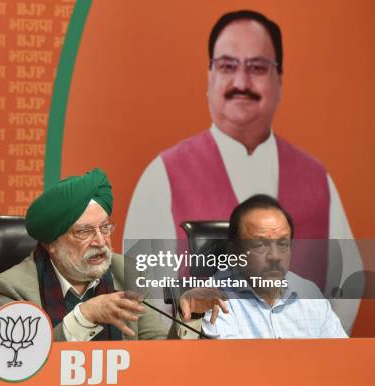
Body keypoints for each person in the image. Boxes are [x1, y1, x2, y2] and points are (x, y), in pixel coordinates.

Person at [124, 9, 360, 330]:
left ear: (280, 79)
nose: (241, 82)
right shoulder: (161, 176)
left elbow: (345, 288)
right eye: (227, 66)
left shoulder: (318, 180)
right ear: (209, 76)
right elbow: (147, 297)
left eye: (257, 67)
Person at [0, 168, 227, 341]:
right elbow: (18, 365)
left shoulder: (128, 271)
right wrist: (85, 315)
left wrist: (190, 317)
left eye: (105, 228)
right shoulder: (10, 289)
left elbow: (158, 354)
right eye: (84, 232)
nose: (101, 242)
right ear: (52, 244)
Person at [201, 194, 347, 338]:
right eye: (259, 244)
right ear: (234, 251)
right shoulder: (213, 297)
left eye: (283, 243)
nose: (275, 257)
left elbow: (344, 357)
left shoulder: (309, 292)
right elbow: (227, 360)